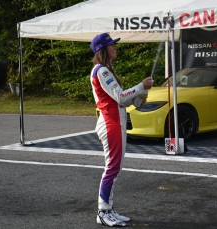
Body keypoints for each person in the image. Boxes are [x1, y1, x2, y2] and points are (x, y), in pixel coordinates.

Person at [89, 33, 153, 227]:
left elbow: (123, 99)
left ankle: (107, 208)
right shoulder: (102, 71)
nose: (115, 48)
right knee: (112, 169)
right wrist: (141, 86)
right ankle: (103, 211)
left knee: (114, 168)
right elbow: (121, 97)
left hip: (113, 122)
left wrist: (140, 94)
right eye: (112, 45)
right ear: (103, 49)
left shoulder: (105, 69)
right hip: (111, 124)